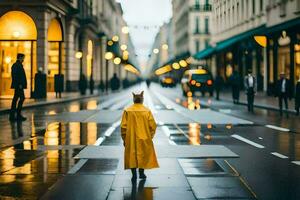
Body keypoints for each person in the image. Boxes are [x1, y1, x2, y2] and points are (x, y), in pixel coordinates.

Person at [121, 91, 159, 181]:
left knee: (132, 156)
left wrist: (124, 138)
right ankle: (142, 173)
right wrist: (150, 136)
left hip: (131, 138)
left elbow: (123, 127)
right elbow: (153, 126)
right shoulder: (147, 111)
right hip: (145, 137)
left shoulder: (127, 111)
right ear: (142, 99)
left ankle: (134, 174)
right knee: (143, 155)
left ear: (133, 99)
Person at [9, 53, 27, 121]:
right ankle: (17, 115)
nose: (23, 59)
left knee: (15, 99)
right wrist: (19, 84)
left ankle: (13, 116)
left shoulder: (19, 65)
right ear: (20, 57)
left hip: (19, 85)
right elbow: (15, 76)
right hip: (18, 86)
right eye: (23, 58)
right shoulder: (16, 65)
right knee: (21, 98)